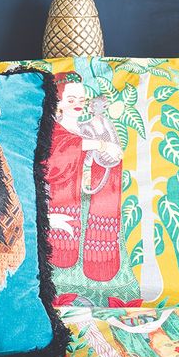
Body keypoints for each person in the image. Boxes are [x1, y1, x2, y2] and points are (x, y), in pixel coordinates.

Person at [44, 80, 125, 282]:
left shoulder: (87, 127)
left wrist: (100, 136)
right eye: (71, 100)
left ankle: (99, 263)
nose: (77, 104)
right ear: (59, 103)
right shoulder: (52, 129)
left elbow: (105, 156)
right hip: (62, 196)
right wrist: (96, 144)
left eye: (81, 100)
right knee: (58, 251)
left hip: (88, 191)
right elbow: (55, 158)